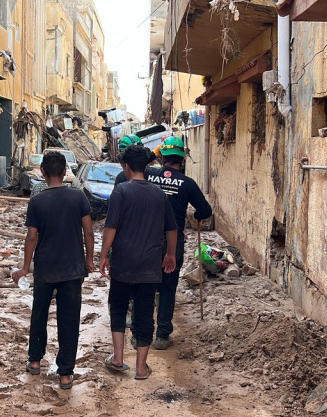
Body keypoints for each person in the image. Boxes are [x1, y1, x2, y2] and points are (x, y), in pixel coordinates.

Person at [119, 136, 213, 350]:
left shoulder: (149, 174)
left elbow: (136, 167)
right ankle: (162, 335)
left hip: (145, 240)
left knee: (143, 285)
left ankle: (138, 332)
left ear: (162, 157)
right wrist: (196, 214)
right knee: (168, 287)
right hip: (173, 242)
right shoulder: (187, 184)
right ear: (182, 159)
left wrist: (154, 153)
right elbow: (206, 211)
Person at [13, 151, 95, 390]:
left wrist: (25, 267)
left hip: (45, 269)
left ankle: (35, 361)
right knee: (69, 320)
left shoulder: (37, 201)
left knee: (39, 314)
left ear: (43, 173)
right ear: (64, 172)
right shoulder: (78, 197)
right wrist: (89, 260)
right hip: (72, 269)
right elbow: (88, 232)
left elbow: (31, 237)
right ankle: (66, 374)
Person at [100, 145, 177, 380]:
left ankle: (118, 359)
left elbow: (110, 227)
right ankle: (141, 368)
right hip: (150, 265)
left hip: (123, 262)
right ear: (146, 167)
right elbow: (171, 229)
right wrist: (170, 254)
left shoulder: (121, 191)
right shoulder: (159, 194)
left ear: (125, 166)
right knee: (145, 313)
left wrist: (104, 254)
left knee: (118, 307)